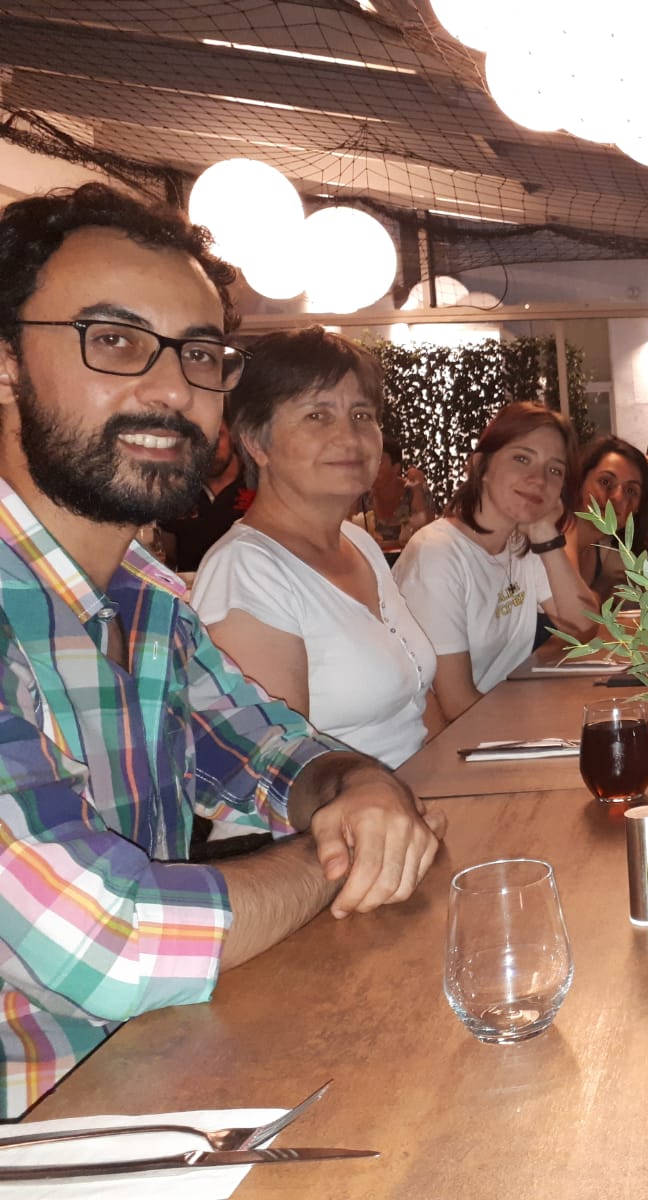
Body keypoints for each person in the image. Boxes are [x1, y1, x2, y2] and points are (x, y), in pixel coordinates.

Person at [0, 183, 440, 1116]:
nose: (173, 389)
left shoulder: (146, 596)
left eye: (199, 354)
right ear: (6, 366)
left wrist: (352, 784)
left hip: (174, 1081)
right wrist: (340, 845)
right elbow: (112, 944)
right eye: (114, 340)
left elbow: (269, 747)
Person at [191, 327, 438, 769]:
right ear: (256, 442)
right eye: (317, 415)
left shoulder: (358, 542)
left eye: (361, 414)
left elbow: (418, 710)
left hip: (421, 791)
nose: (350, 437)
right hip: (341, 810)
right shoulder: (247, 570)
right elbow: (280, 768)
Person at [395, 403, 597, 721]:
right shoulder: (438, 553)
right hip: (442, 740)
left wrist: (545, 535)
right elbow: (456, 704)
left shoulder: (521, 542)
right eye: (522, 459)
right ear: (481, 467)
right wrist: (538, 731)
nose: (538, 479)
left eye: (555, 470)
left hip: (497, 719)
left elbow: (583, 627)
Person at [567, 435, 648, 600]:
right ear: (580, 480)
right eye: (605, 482)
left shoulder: (604, 549)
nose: (618, 497)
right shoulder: (556, 537)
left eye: (631, 490)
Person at [158, 419, 250, 571]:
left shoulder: (259, 483)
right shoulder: (176, 487)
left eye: (217, 437)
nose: (209, 449)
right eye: (198, 440)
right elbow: (168, 554)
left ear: (233, 436)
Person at [357, 434, 436, 550]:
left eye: (379, 462)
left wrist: (417, 491)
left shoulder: (414, 491)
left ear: (396, 468)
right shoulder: (361, 496)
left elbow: (429, 534)